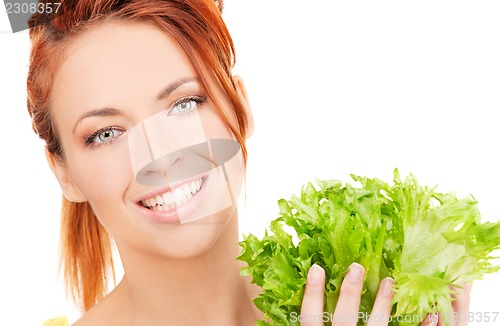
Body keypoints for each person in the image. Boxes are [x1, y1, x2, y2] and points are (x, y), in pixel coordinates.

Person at [26, 0, 471, 325]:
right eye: (106, 133)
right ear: (63, 172)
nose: (159, 156)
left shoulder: (368, 305)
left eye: (184, 104)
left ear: (240, 105)